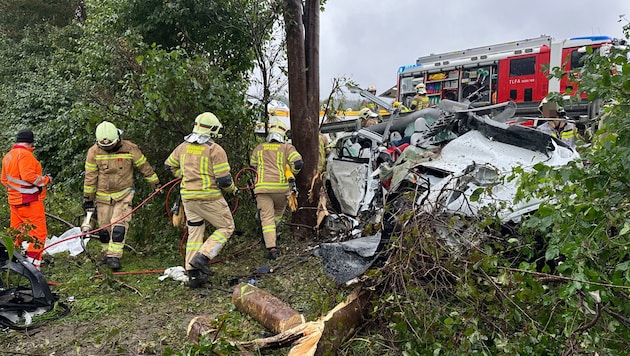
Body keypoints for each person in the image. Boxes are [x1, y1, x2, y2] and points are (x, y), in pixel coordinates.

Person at [165, 112, 237, 288]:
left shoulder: (183, 147)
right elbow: (224, 180)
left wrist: (184, 175)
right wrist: (233, 190)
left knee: (195, 232)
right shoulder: (215, 149)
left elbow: (169, 165)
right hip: (209, 197)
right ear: (212, 130)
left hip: (188, 198)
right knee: (226, 226)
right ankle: (203, 256)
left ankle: (193, 274)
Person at [83, 121, 160, 270]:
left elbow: (144, 167)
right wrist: (87, 199)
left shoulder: (130, 148)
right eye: (104, 146)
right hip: (102, 196)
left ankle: (114, 256)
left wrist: (155, 184)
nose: (108, 148)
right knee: (104, 228)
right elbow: (90, 177)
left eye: (110, 145)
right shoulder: (94, 152)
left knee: (119, 225)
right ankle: (106, 253)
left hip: (124, 194)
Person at [250, 119, 303, 259]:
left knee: (266, 218)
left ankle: (271, 247)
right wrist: (292, 173)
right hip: (281, 189)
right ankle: (273, 235)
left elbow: (253, 167)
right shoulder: (287, 148)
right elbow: (298, 163)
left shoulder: (259, 148)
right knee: (277, 214)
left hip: (262, 189)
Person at [1, 129, 52, 270]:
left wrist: (16, 191)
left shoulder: (8, 156)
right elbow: (29, 176)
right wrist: (46, 180)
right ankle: (33, 265)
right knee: (38, 234)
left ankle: (12, 262)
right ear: (31, 142)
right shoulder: (26, 155)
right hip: (29, 201)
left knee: (16, 233)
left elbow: (4, 180)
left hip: (14, 201)